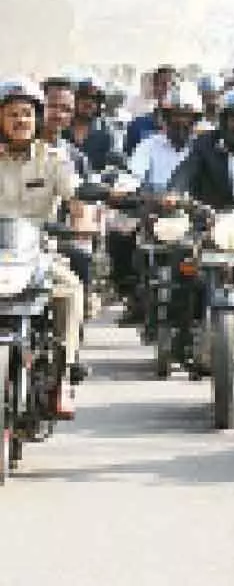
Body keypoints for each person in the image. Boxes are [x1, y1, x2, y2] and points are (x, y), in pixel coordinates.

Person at [0, 79, 86, 419]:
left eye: (26, 113)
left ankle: (61, 377)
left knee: (70, 290)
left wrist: (82, 218)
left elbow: (75, 195)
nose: (20, 121)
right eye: (11, 114)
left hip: (38, 251)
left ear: (37, 118)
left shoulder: (54, 159)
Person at [128, 81, 201, 192]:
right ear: (166, 118)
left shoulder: (203, 148)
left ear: (195, 119)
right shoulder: (148, 146)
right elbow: (133, 179)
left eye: (186, 115)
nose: (181, 121)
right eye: (176, 115)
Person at [124, 65, 179, 155]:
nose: (168, 89)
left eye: (173, 85)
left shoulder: (190, 126)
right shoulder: (138, 124)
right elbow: (130, 158)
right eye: (164, 84)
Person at [68, 77, 115, 171]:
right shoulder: (61, 128)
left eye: (94, 99)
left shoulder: (106, 132)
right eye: (84, 97)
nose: (89, 102)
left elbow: (111, 166)